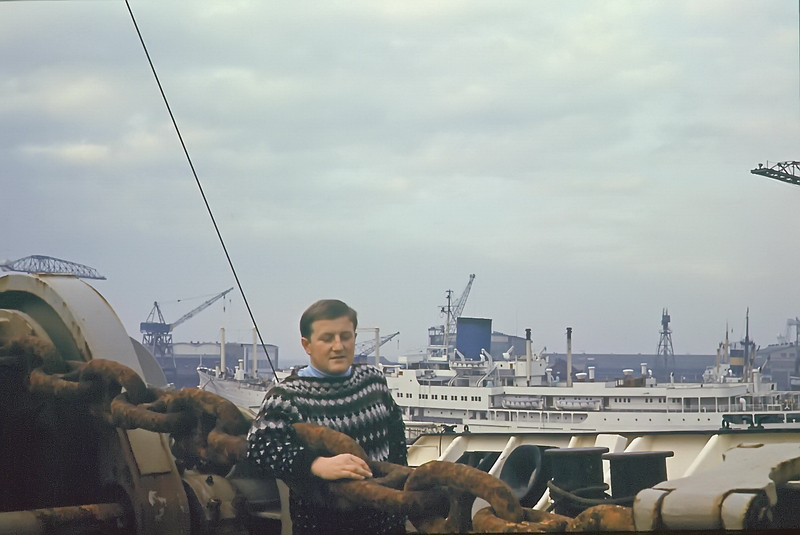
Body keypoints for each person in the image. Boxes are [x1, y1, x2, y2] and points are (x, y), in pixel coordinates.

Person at [247, 299, 407, 535]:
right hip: (322, 524)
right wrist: (315, 464)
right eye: (327, 338)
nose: (338, 346)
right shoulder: (289, 396)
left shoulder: (373, 381)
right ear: (307, 345)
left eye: (345, 336)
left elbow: (396, 436)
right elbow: (259, 447)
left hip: (385, 521)